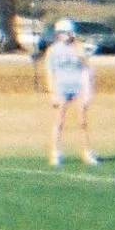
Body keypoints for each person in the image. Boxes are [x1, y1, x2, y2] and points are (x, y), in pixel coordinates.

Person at [42, 20, 99, 168]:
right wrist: (52, 92)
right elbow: (50, 72)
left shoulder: (79, 49)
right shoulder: (53, 50)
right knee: (59, 121)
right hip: (61, 88)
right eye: (60, 33)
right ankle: (55, 152)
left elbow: (86, 70)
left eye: (65, 32)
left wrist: (87, 91)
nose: (63, 35)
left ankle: (86, 152)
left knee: (82, 122)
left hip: (78, 87)